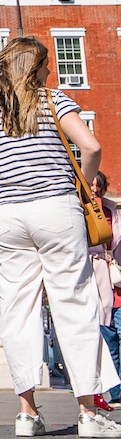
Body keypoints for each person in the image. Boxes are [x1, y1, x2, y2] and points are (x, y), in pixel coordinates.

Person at [0, 36, 121, 438]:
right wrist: (82, 185)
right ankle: (89, 412)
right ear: (32, 67)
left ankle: (27, 413)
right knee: (74, 303)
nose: (49, 71)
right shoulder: (51, 99)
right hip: (55, 207)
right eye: (45, 64)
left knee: (17, 311)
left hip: (7, 217)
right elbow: (91, 146)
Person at [90, 174, 121, 408]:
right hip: (91, 272)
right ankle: (108, 389)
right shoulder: (78, 209)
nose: (93, 188)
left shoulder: (112, 211)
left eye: (97, 185)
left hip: (112, 273)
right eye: (91, 184)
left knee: (111, 331)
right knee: (104, 334)